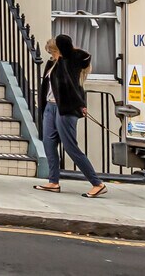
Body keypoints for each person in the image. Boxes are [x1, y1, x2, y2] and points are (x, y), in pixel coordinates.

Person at [34, 33, 106, 196]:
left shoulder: (70, 62)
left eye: (52, 51)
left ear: (59, 50)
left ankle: (97, 183)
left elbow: (85, 59)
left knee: (70, 147)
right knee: (48, 143)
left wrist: (81, 104)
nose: (51, 55)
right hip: (50, 108)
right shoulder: (51, 64)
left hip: (65, 109)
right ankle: (53, 181)